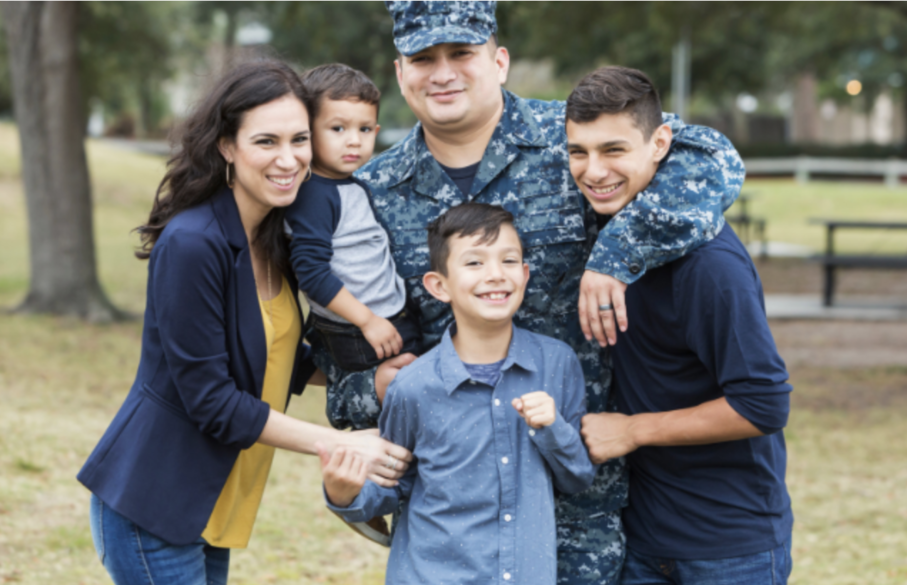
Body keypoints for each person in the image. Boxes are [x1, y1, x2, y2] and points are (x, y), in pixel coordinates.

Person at [335, 3, 746, 582]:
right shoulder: (369, 192)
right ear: (400, 74)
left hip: (582, 497)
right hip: (458, 515)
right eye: (423, 59)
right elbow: (342, 361)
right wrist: (371, 388)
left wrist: (614, 257)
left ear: (499, 61)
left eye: (462, 54)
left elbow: (711, 159)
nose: (443, 72)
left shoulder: (574, 139)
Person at [76, 61, 412, 585]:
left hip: (216, 502)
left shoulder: (274, 238)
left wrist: (374, 379)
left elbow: (278, 358)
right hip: (156, 503)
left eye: (299, 139)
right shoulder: (193, 244)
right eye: (266, 141)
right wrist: (338, 442)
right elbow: (212, 399)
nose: (288, 159)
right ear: (226, 146)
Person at [569, 67, 793, 584]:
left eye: (614, 150)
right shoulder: (608, 231)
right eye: (579, 152)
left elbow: (763, 403)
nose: (594, 171)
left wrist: (631, 430)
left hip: (728, 544)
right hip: (641, 538)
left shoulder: (710, 267)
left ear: (660, 143)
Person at [321, 203, 595, 584]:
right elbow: (393, 484)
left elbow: (577, 476)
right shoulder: (413, 386)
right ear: (439, 285)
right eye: (474, 263)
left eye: (509, 260)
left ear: (525, 273)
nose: (496, 275)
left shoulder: (557, 364)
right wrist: (344, 493)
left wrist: (552, 428)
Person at [286, 63, 421, 378]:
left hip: (385, 318)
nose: (354, 141)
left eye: (364, 129)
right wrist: (367, 321)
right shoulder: (314, 196)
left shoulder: (348, 183)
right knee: (409, 402)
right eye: (337, 128)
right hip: (361, 330)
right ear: (306, 130)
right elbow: (312, 273)